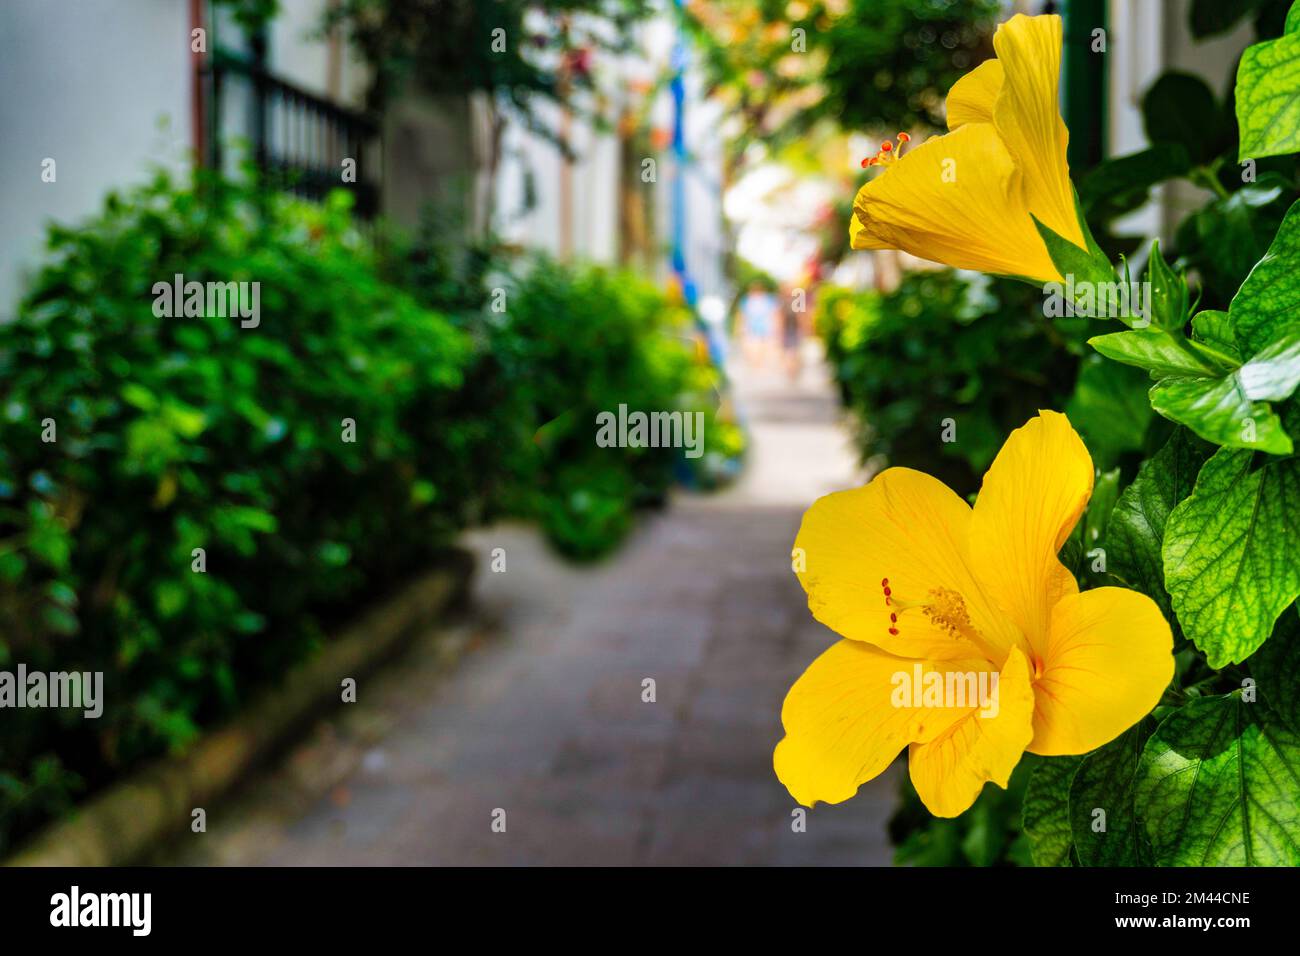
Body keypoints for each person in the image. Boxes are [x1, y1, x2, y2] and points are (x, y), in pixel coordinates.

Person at [737, 281, 777, 366]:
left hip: (765, 328)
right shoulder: (746, 300)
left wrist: (775, 328)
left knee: (761, 349)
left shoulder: (768, 300)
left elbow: (774, 314)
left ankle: (758, 364)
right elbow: (742, 315)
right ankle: (755, 364)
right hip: (751, 328)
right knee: (752, 349)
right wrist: (740, 327)